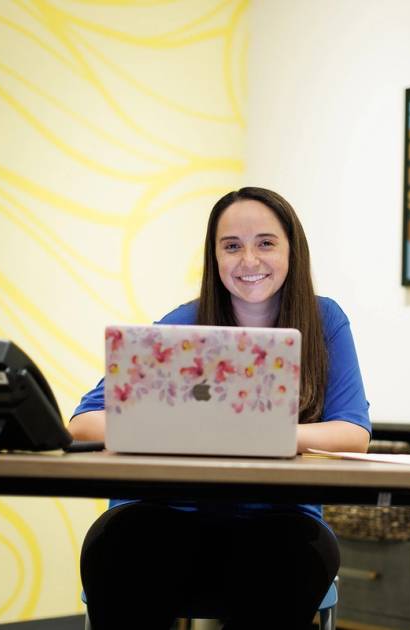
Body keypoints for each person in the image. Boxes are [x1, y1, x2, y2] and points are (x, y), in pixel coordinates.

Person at [69, 187, 371, 629]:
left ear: (293, 251)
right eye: (232, 246)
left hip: (279, 522)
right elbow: (84, 423)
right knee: (122, 543)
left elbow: (353, 433)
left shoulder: (324, 322)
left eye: (266, 243)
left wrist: (260, 434)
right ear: (214, 257)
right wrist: (177, 431)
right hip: (164, 517)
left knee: (287, 556)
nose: (249, 260)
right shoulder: (181, 324)